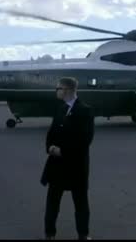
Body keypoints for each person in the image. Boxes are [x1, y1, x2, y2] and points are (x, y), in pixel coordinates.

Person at [40, 77, 95, 240]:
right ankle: (49, 234)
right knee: (52, 203)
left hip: (76, 166)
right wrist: (50, 147)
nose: (56, 91)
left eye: (58, 88)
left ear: (68, 90)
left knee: (81, 204)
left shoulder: (85, 110)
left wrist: (62, 151)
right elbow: (51, 133)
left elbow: (85, 139)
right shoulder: (59, 109)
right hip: (56, 166)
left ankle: (83, 235)